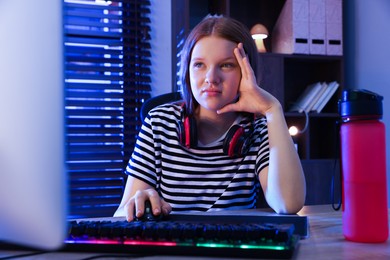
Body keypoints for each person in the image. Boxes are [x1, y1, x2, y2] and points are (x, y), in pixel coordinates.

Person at [114, 15, 306, 221]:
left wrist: (272, 109)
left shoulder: (260, 129)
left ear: (247, 72)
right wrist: (137, 205)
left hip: (232, 249)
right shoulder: (159, 123)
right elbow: (119, 216)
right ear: (187, 72)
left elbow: (289, 204)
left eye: (226, 65)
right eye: (199, 65)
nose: (211, 78)